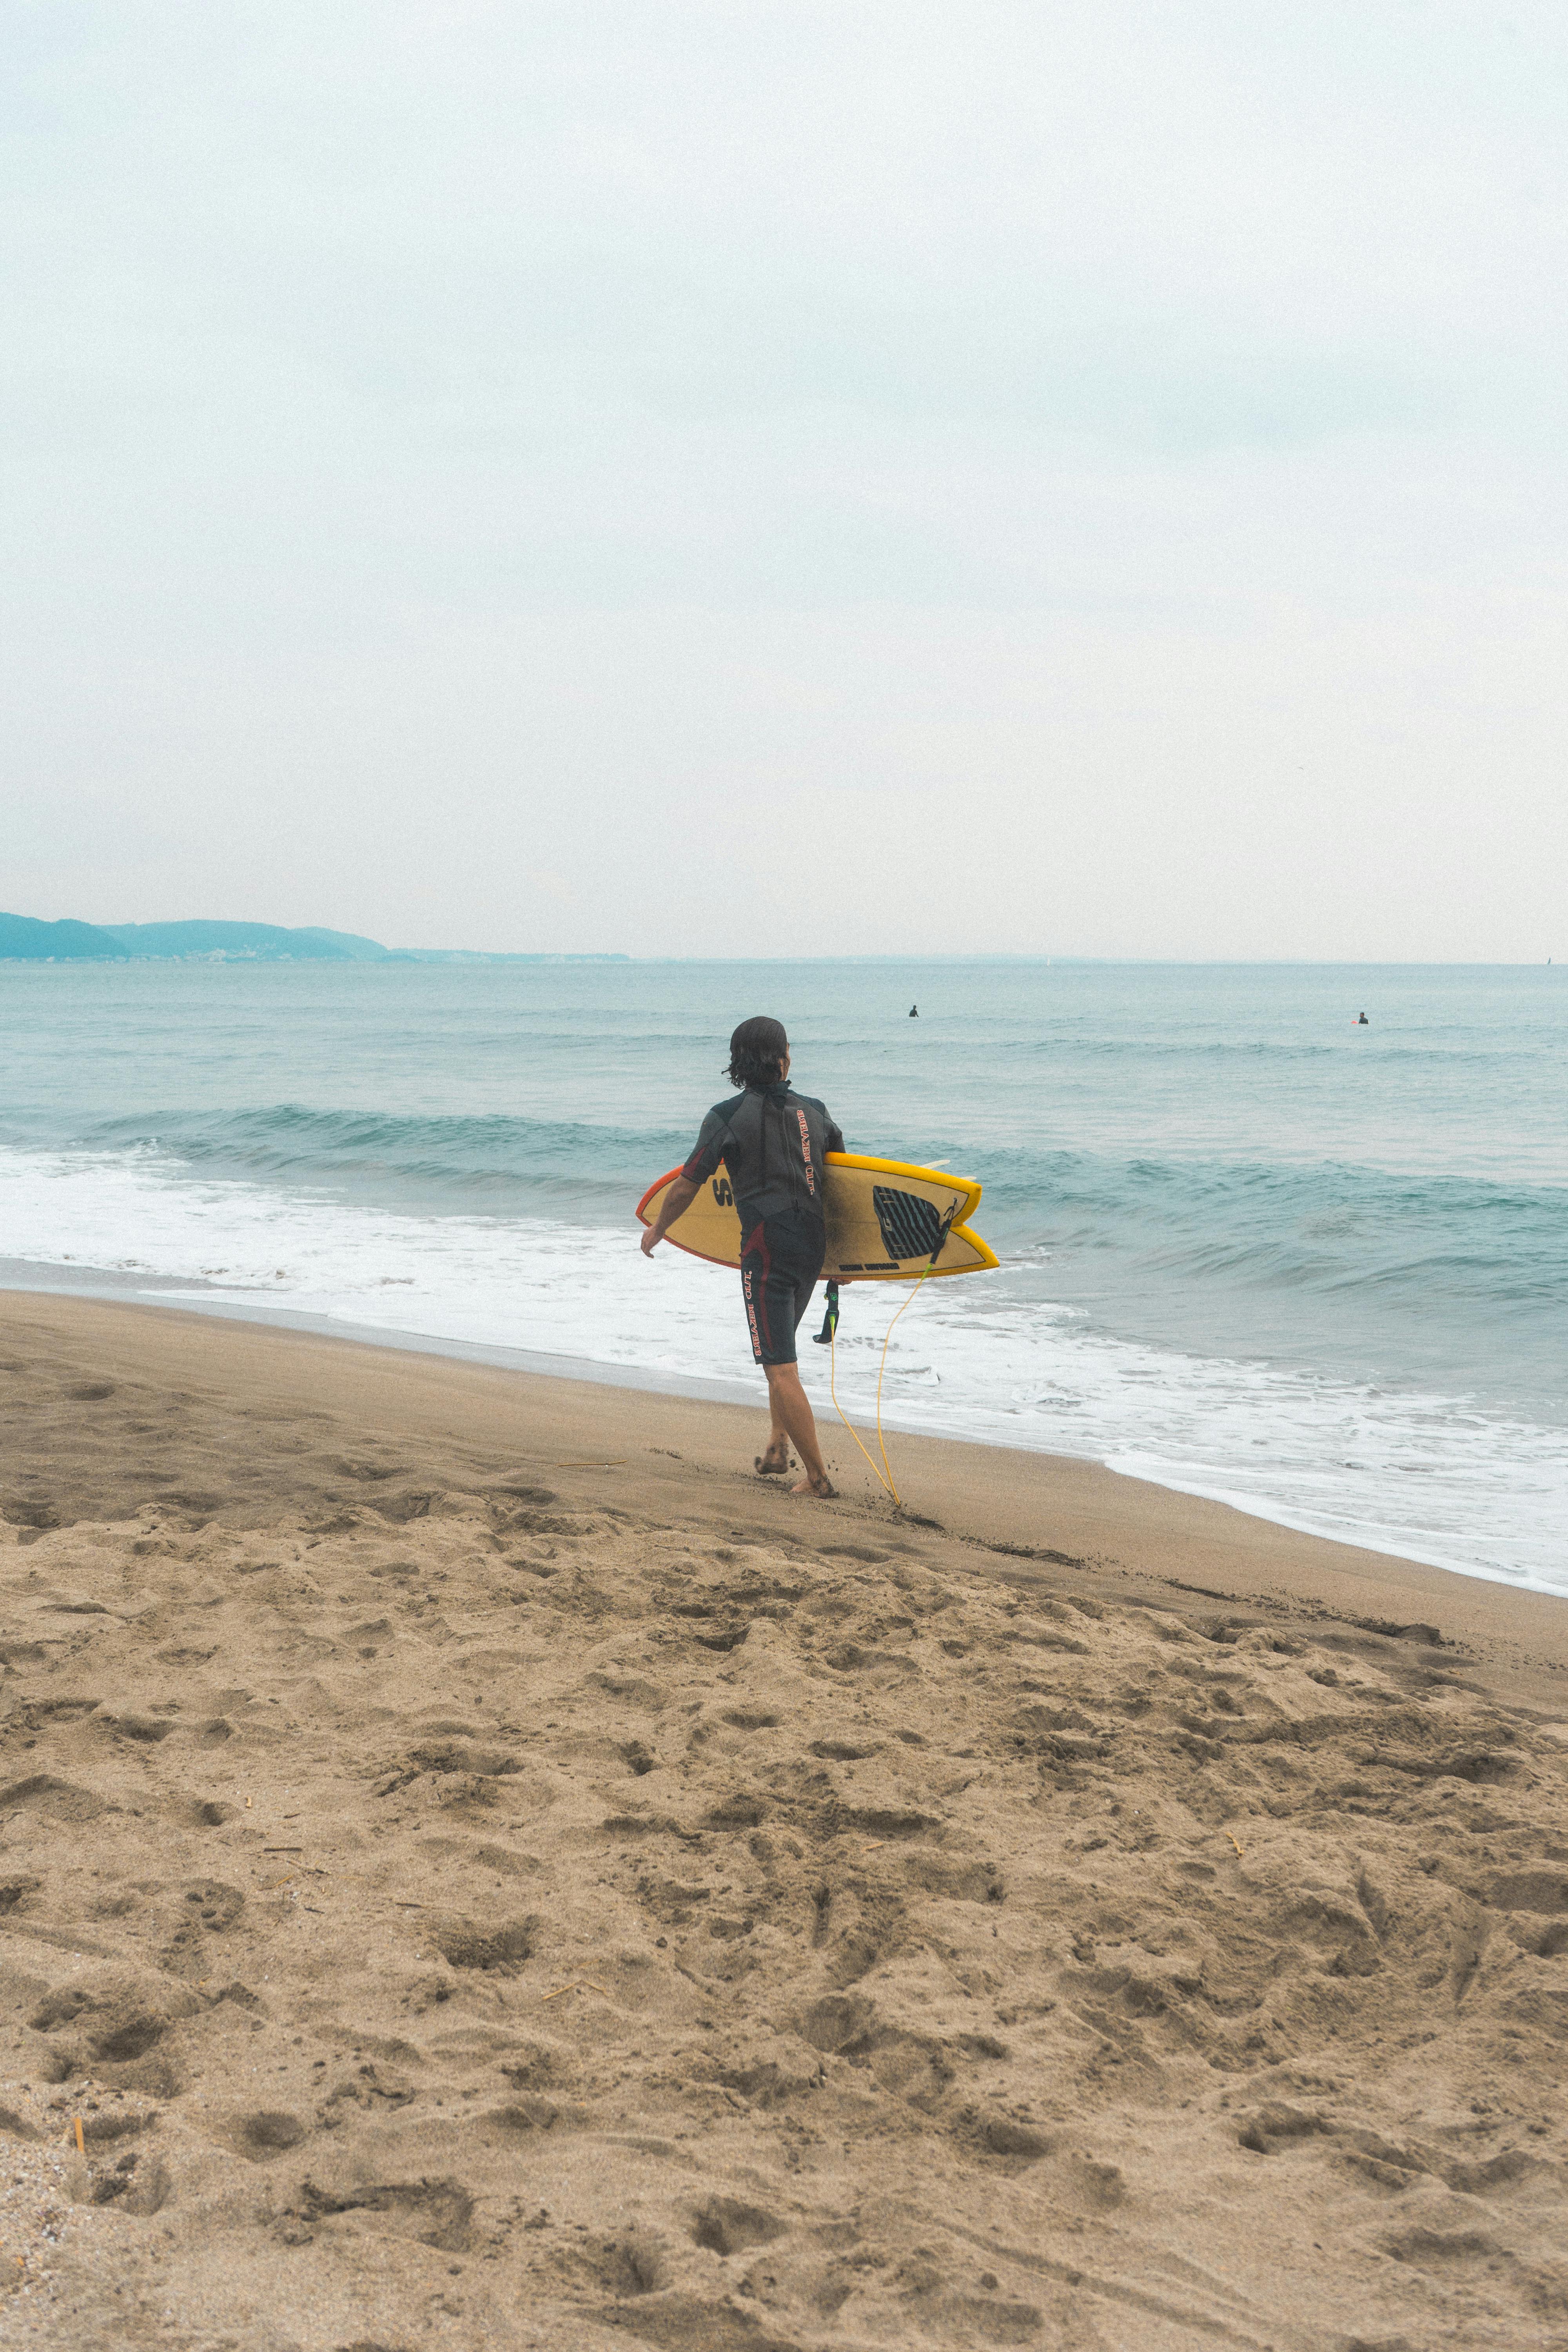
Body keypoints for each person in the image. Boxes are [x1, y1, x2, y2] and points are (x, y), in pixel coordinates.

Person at [641, 1016, 843, 1498]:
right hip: (812, 1247)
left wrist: (659, 1230)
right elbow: (842, 1189)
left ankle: (818, 1480)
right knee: (785, 1351)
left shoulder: (726, 1116)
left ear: (738, 1063)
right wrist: (845, 1260)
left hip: (766, 1250)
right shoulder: (816, 1111)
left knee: (779, 1367)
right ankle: (777, 1443)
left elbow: (687, 1186)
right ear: (783, 1058)